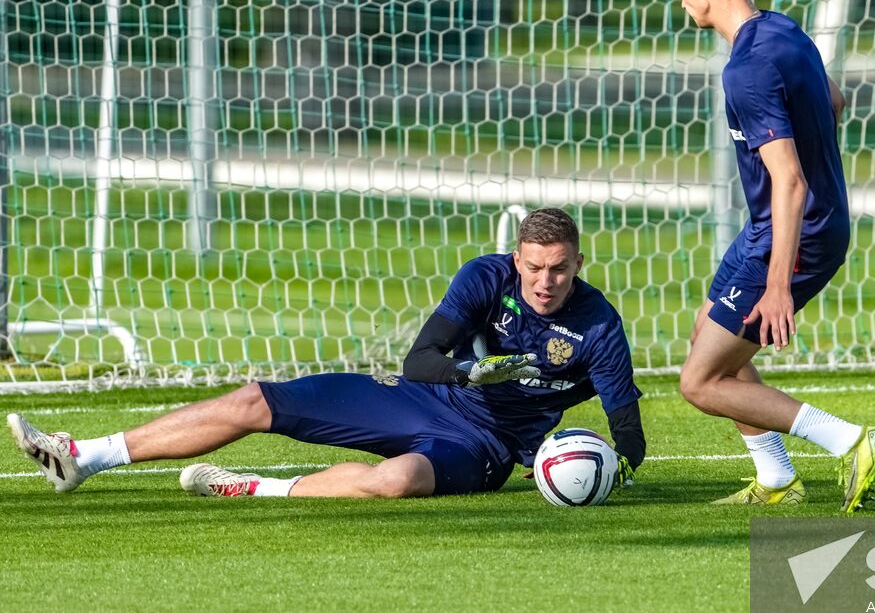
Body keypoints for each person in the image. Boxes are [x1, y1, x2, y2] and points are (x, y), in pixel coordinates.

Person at [9, 208, 646, 499]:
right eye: (534, 267)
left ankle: (252, 487)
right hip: (417, 397)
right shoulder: (486, 276)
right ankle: (83, 457)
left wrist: (603, 467)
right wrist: (476, 370)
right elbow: (419, 361)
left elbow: (628, 433)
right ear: (517, 259)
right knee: (254, 400)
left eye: (559, 269)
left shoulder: (599, 327)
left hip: (484, 447)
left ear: (578, 263)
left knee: (395, 481)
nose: (545, 281)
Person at [660, 0, 875, 513]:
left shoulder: (745, 70)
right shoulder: (783, 30)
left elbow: (789, 180)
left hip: (793, 233)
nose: (681, 2)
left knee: (699, 383)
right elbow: (835, 100)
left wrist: (777, 285)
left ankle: (851, 440)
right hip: (785, 225)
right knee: (706, 334)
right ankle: (777, 477)